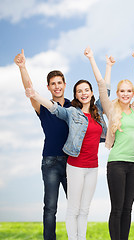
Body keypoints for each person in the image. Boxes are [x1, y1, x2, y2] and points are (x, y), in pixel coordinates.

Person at [84, 46, 134, 240]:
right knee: (117, 209)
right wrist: (95, 59)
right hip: (116, 164)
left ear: (132, 93)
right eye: (122, 91)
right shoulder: (111, 109)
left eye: (129, 91)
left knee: (128, 209)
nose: (126, 94)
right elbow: (101, 85)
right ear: (117, 93)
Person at [14, 49, 71, 240]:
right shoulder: (43, 105)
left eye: (59, 83)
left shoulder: (73, 106)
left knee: (76, 206)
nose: (56, 86)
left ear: (64, 85)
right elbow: (30, 91)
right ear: (48, 87)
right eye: (53, 84)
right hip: (51, 162)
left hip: (73, 162)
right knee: (50, 207)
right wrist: (23, 67)